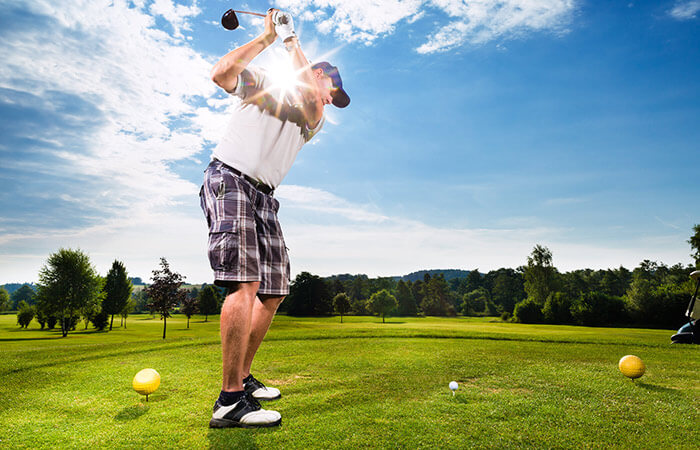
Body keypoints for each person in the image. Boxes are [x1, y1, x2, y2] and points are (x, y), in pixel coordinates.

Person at [201, 9, 349, 429]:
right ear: (316, 74)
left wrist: (290, 41)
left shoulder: (312, 117)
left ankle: (242, 378)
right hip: (229, 177)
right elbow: (221, 74)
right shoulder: (263, 85)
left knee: (274, 289)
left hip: (264, 197)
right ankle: (229, 402)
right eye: (330, 89)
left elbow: (306, 96)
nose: (330, 99)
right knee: (244, 282)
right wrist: (269, 37)